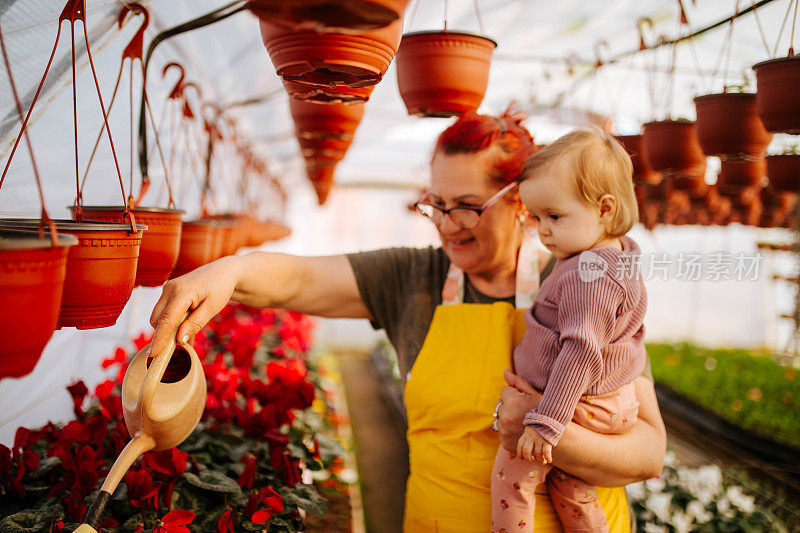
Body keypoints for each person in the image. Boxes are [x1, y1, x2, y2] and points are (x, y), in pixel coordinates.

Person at [148, 110, 666, 533]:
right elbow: (300, 279)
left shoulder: (581, 280)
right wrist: (222, 273)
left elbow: (648, 452)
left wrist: (539, 431)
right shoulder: (414, 278)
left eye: (466, 207)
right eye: (435, 204)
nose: (446, 226)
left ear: (519, 205)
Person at [491, 128, 646, 533]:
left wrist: (547, 421)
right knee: (570, 483)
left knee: (513, 478)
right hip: (603, 401)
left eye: (554, 216)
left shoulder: (588, 275)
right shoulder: (614, 256)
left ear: (604, 209)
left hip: (577, 405)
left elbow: (581, 350)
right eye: (536, 217)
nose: (542, 230)